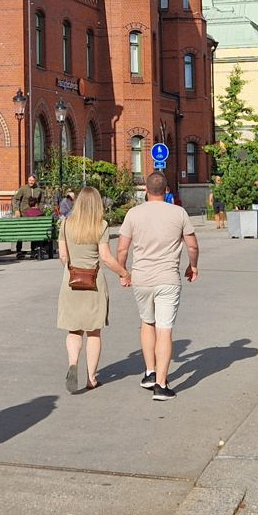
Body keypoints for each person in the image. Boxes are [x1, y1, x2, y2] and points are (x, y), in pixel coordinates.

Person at [103, 171, 198, 401]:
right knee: (164, 329)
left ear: (146, 190)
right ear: (166, 191)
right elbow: (193, 246)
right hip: (167, 279)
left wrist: (124, 273)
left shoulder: (134, 214)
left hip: (142, 278)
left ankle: (149, 371)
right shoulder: (179, 213)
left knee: (147, 323)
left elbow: (123, 248)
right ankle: (161, 385)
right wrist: (192, 266)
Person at [57, 186, 110, 393]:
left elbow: (63, 256)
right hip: (94, 282)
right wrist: (124, 273)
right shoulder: (101, 225)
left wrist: (72, 270)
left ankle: (73, 362)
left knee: (74, 329)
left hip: (70, 281)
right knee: (94, 332)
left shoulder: (67, 224)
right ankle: (91, 377)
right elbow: (105, 256)